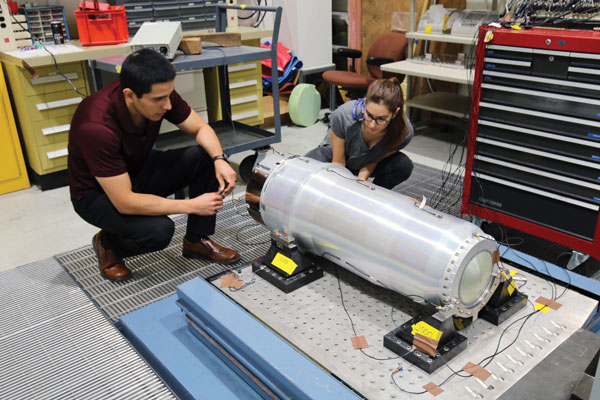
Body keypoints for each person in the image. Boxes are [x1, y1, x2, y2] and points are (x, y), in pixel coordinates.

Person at [68, 48, 240, 282]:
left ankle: (196, 241)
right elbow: (125, 201)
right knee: (158, 231)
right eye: (159, 99)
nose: (168, 105)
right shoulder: (97, 126)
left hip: (135, 169)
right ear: (129, 95)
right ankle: (108, 243)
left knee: (205, 157)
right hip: (96, 195)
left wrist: (219, 160)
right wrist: (191, 205)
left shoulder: (160, 94)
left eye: (169, 95)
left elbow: (201, 128)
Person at [305, 77, 414, 189]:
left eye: (381, 119)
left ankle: (376, 195)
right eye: (369, 115)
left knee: (402, 165)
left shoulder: (404, 132)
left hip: (367, 161)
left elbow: (376, 158)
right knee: (308, 164)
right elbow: (338, 162)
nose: (372, 125)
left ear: (395, 113)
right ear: (365, 102)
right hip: (339, 155)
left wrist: (362, 182)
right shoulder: (344, 115)